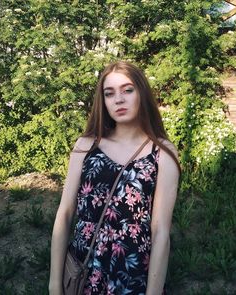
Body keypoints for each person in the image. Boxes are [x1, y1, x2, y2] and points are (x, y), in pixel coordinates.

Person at [49, 61, 180, 295]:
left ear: (142, 93)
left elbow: (160, 231)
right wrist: (54, 285)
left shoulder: (162, 152)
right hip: (85, 271)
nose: (118, 99)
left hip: (132, 276)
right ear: (104, 102)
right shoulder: (86, 146)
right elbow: (65, 212)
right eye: (110, 94)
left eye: (127, 90)